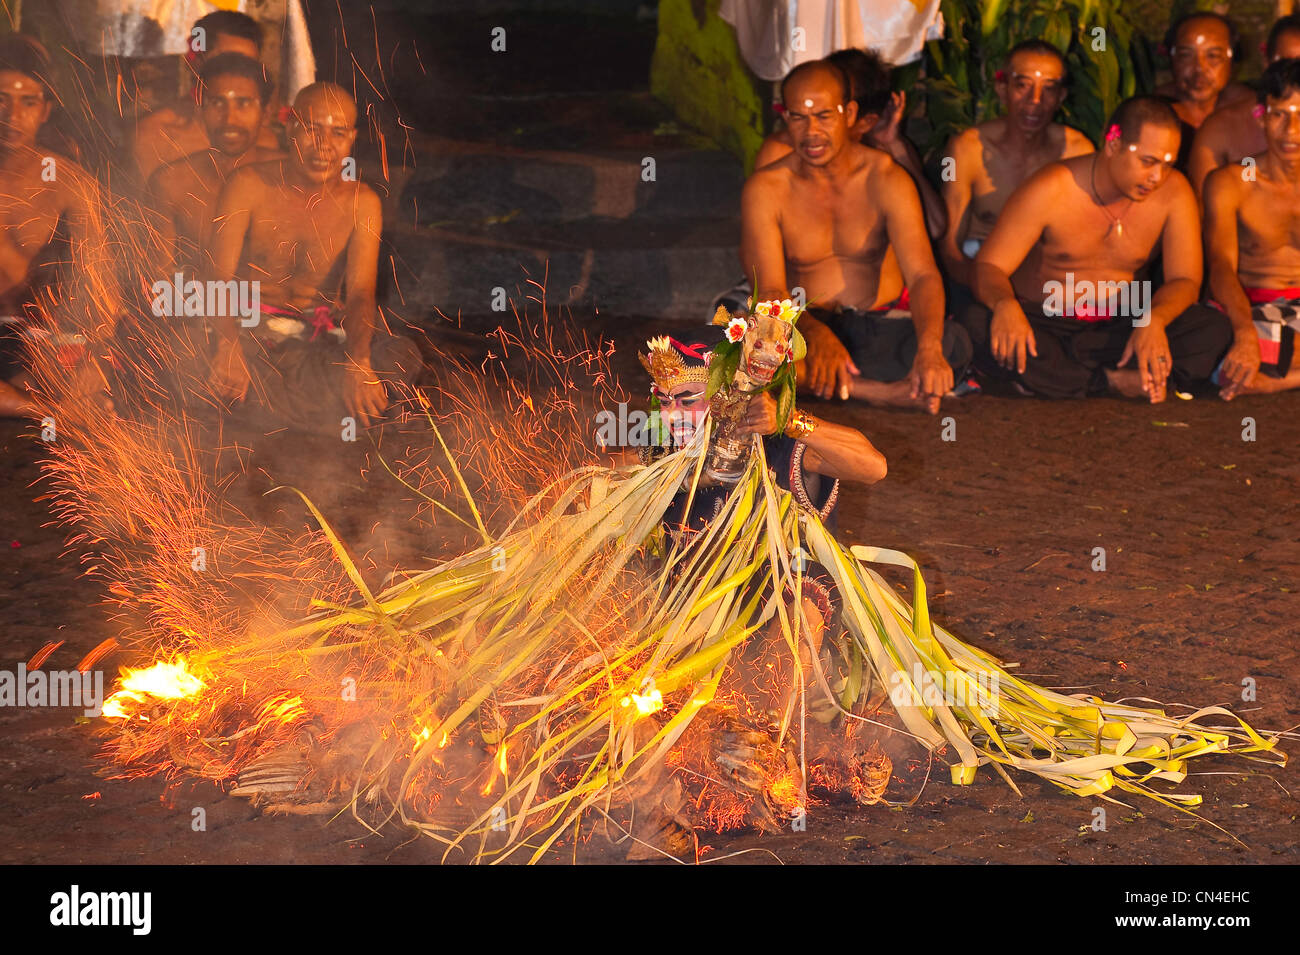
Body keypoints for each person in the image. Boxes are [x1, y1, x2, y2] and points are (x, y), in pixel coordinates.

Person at [962, 96, 1231, 402]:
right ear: (1113, 144)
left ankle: (1063, 379)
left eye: (1167, 164)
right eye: (1148, 162)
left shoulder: (1175, 193)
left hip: (1120, 324)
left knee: (1212, 330)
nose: (1157, 177)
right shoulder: (1052, 187)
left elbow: (1185, 280)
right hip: (1046, 322)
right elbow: (988, 267)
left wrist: (1154, 320)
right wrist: (1004, 306)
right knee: (977, 325)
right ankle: (1113, 381)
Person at [740, 60, 971, 413]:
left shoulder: (886, 178)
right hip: (807, 323)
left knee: (952, 344)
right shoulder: (767, 188)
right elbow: (771, 291)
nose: (811, 132)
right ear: (785, 118)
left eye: (823, 115)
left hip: (881, 328)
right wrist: (816, 336)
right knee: (748, 350)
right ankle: (878, 392)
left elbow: (923, 274)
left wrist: (929, 349)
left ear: (849, 113)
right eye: (798, 117)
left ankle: (832, 383)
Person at [203, 82, 421, 434]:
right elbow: (216, 279)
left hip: (317, 342)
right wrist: (227, 346)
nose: (323, 146)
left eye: (337, 133)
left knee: (399, 356)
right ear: (290, 128)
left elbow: (361, 294)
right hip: (250, 339)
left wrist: (358, 362)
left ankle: (290, 416)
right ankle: (316, 419)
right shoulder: (249, 184)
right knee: (190, 357)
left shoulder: (361, 201)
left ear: (351, 138)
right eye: (312, 130)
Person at [0, 36, 116, 418]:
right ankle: (45, 413)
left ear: (46, 110)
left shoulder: (69, 182)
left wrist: (89, 353)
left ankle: (37, 406)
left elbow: (98, 283)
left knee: (97, 388)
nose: (11, 115)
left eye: (27, 102)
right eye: (1, 99)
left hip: (34, 339)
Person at [939, 41, 1093, 295]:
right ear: (1002, 89)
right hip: (977, 272)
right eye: (1022, 85)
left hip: (1046, 281)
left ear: (1061, 97)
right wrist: (991, 291)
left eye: (1049, 89)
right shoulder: (965, 149)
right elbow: (950, 247)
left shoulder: (1078, 150)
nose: (1035, 100)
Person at [754, 48, 946, 239]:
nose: (812, 129)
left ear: (862, 121)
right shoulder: (781, 151)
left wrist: (895, 146)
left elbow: (935, 228)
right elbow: (759, 249)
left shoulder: (884, 154)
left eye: (826, 114)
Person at [1203, 59, 1300, 397]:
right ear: (1260, 115)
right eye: (1279, 114)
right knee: (1201, 343)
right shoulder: (1235, 180)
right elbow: (1220, 266)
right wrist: (1244, 333)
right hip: (1251, 310)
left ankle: (1275, 380)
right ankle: (1272, 368)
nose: (1292, 131)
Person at [147, 54, 283, 270]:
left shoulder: (290, 174)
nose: (229, 119)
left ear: (265, 114)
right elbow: (157, 278)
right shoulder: (170, 182)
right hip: (201, 301)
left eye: (244, 104)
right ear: (200, 111)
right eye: (217, 103)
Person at [131, 10, 280, 185]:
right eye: (226, 62)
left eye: (247, 65)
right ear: (195, 62)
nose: (236, 75)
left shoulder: (263, 140)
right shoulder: (156, 135)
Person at [1187, 16, 1300, 199]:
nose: (1295, 80)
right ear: (1266, 61)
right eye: (1286, 65)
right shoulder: (1221, 129)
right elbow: (1202, 216)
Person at [1156, 12, 1254, 168]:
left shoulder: (1250, 110)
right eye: (1186, 55)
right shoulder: (1155, 111)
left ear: (1232, 59)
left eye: (1213, 56)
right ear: (1171, 58)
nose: (1199, 68)